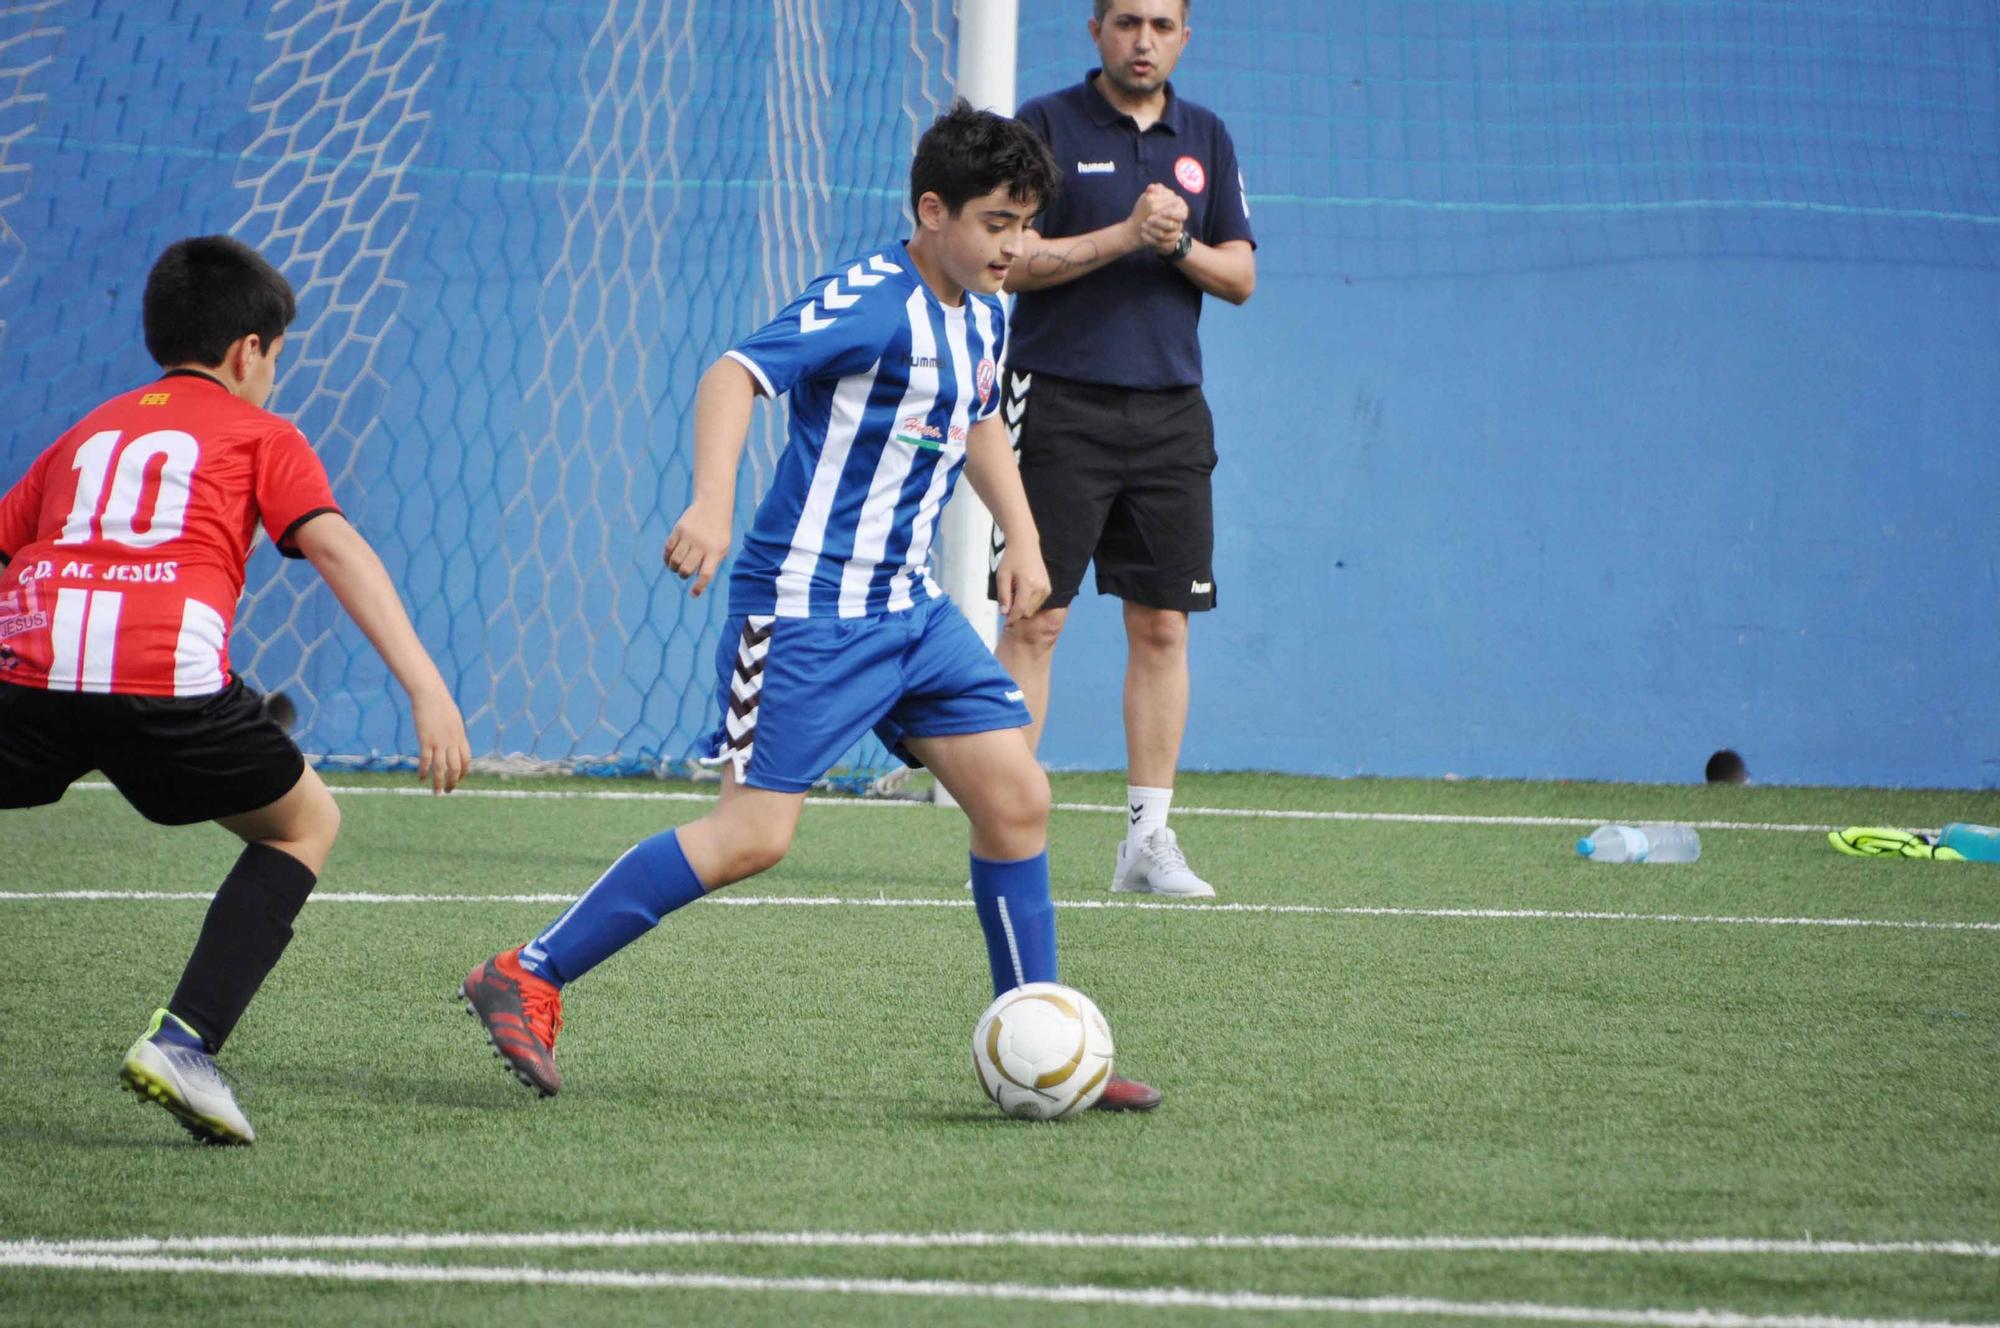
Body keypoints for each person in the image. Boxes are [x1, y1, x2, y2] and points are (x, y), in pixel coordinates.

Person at [460, 103, 1162, 1113]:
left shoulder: (986, 303)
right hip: (804, 609)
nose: (1014, 244)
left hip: (909, 612)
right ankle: (527, 969)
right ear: (932, 211)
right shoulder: (873, 300)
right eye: (996, 222)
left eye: (1023, 223)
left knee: (1016, 798)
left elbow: (975, 425)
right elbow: (733, 375)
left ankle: (1041, 1037)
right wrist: (709, 501)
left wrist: (1027, 539)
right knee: (752, 835)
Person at [0, 235, 472, 1145]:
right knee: (306, 822)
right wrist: (426, 686)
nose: (273, 380)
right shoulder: (262, 433)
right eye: (277, 358)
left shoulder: (85, 433)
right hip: (166, 688)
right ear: (248, 350)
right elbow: (334, 544)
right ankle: (184, 1043)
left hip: (35, 675)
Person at [993, 0, 1255, 898]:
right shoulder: (1045, 125)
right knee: (1035, 618)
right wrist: (1121, 235)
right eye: (1127, 21)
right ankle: (1003, 829)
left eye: (1162, 24)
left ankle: (1147, 843)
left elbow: (1242, 276)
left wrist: (1176, 240)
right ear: (1096, 30)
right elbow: (1010, 260)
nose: (1143, 40)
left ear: (1186, 36)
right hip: (1057, 398)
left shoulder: (1207, 136)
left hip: (1173, 411)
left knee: (1162, 624)